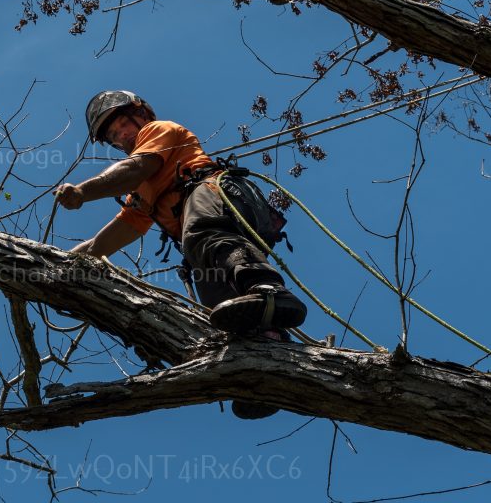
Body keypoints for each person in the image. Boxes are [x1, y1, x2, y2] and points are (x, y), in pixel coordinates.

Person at [55, 90, 307, 419]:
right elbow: (121, 230)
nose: (121, 138)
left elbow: (134, 170)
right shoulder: (143, 191)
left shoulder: (158, 131)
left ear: (141, 115)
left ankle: (270, 290)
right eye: (113, 137)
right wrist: (64, 261)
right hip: (213, 243)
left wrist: (82, 191)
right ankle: (266, 366)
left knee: (202, 232)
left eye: (122, 127)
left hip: (217, 197)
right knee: (222, 309)